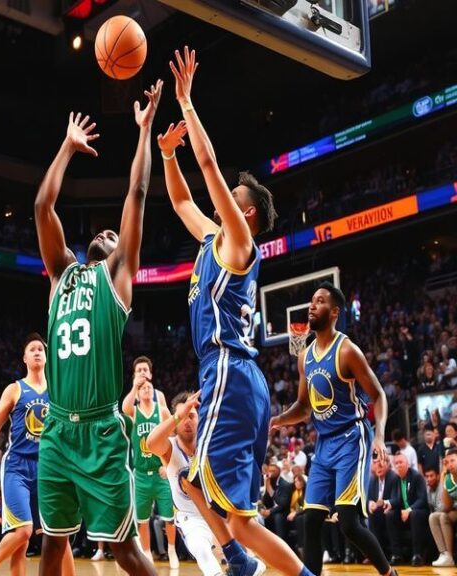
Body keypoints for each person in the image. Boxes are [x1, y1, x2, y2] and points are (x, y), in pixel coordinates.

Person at [158, 46, 304, 576]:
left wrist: (187, 103)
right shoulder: (213, 239)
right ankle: (241, 565)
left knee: (237, 517)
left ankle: (263, 566)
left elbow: (209, 167)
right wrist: (167, 155)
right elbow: (180, 202)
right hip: (237, 377)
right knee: (196, 485)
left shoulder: (239, 240)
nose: (222, 197)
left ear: (243, 210)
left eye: (231, 195)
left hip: (229, 371)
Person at [35, 78, 163, 576]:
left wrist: (144, 131)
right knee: (51, 545)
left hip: (104, 434)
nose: (109, 233)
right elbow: (43, 207)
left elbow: (136, 190)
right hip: (56, 432)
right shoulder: (60, 273)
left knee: (127, 552)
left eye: (116, 235)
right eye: (104, 232)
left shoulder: (118, 278)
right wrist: (66, 148)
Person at [270, 283, 395, 576]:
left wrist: (378, 436)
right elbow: (303, 406)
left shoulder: (347, 350)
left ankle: (389, 574)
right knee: (310, 520)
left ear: (335, 312)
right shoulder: (305, 357)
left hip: (353, 437)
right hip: (325, 444)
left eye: (321, 301)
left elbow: (379, 395)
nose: (312, 305)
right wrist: (276, 421)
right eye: (312, 301)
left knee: (349, 523)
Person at [0, 334, 73, 575]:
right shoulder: (15, 389)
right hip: (18, 466)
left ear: (47, 355)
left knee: (59, 537)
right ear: (24, 357)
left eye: (41, 348)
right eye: (32, 349)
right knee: (23, 532)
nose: (37, 352)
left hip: (49, 467)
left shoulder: (57, 389)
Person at [146, 391, 223, 576]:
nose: (187, 421)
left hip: (218, 513)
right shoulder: (170, 447)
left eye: (192, 415)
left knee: (245, 555)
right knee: (201, 549)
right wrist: (179, 414)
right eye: (183, 417)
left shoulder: (210, 444)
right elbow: (150, 442)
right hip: (190, 518)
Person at [121, 357, 178, 568]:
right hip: (141, 473)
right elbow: (125, 407)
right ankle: (146, 552)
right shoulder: (133, 408)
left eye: (146, 372)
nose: (144, 378)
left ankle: (171, 549)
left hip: (159, 470)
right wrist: (135, 387)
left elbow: (171, 436)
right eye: (139, 372)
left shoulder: (161, 405)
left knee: (169, 518)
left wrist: (168, 464)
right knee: (142, 521)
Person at [387, 453, 429, 566]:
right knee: (390, 515)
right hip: (405, 513)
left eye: (401, 462)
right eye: (396, 463)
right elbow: (396, 499)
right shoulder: (396, 479)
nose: (398, 465)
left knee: (415, 514)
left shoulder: (416, 477)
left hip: (419, 512)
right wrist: (388, 504)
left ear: (407, 464)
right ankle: (397, 554)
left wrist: (409, 509)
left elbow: (422, 499)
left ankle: (417, 555)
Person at [429, 447, 457, 566]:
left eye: (453, 461)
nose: (450, 464)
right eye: (447, 462)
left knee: (444, 517)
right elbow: (447, 506)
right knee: (435, 517)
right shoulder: (448, 478)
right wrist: (443, 480)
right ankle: (446, 555)